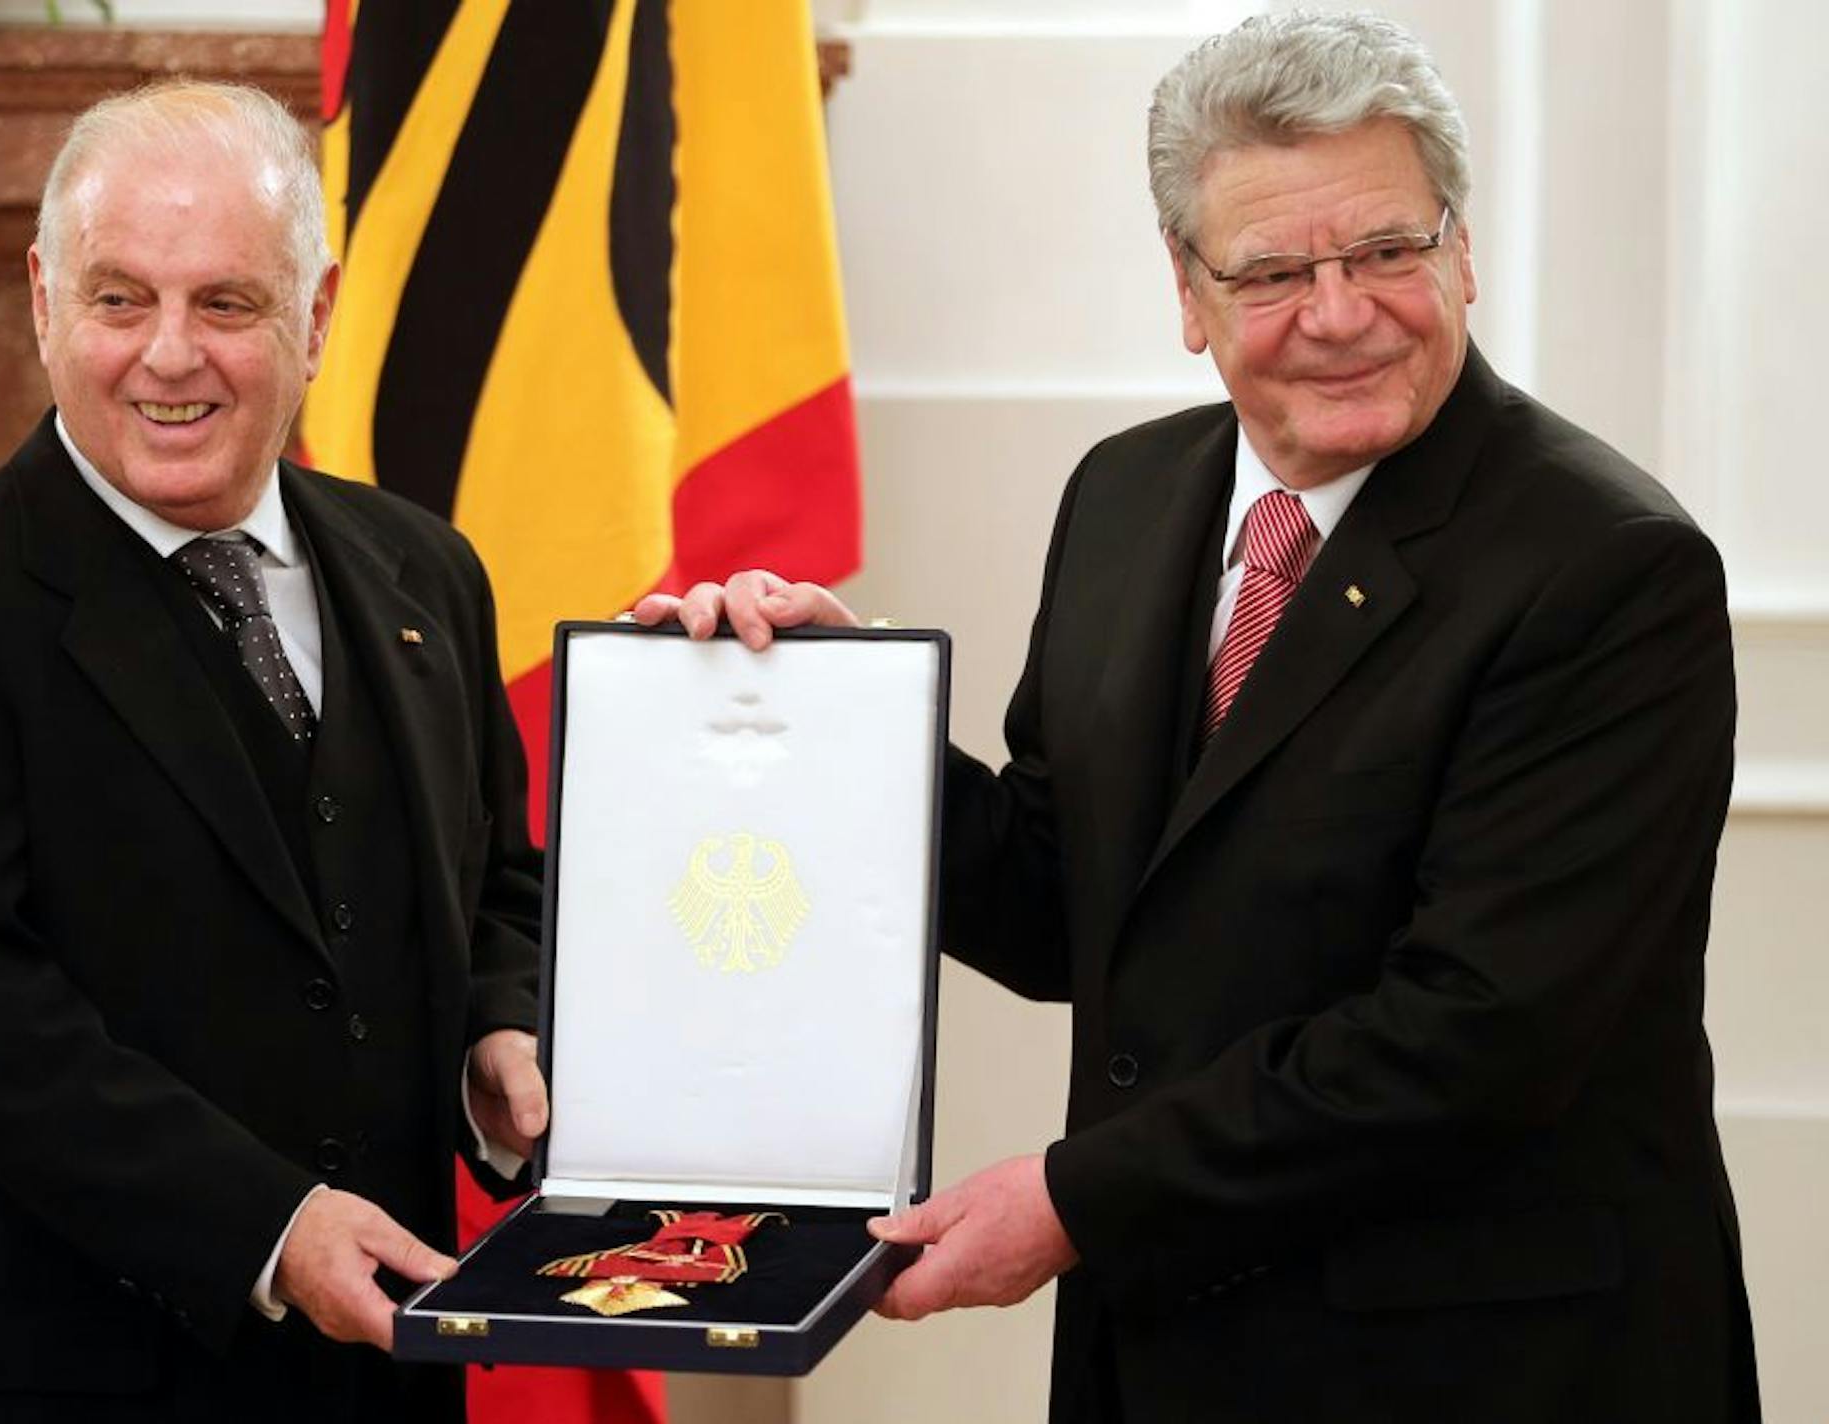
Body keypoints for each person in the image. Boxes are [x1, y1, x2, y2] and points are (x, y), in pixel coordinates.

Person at [639, 12, 1757, 1421]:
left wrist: (1069, 1200)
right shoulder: (1124, 498)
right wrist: (844, 730)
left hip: (1477, 1364)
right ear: (1188, 289)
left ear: (1464, 252)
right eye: (1276, 270)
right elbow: (1067, 905)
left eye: (1389, 252)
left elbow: (1472, 1039)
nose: (1341, 312)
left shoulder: (1608, 568)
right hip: (1167, 1350)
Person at [0, 80, 547, 1421]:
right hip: (55, 1380)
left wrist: (504, 1023)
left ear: (314, 315)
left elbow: (501, 881)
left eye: (227, 304)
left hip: (383, 1376)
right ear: (43, 302)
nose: (169, 355)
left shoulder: (425, 572)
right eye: (120, 298)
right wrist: (271, 1225)